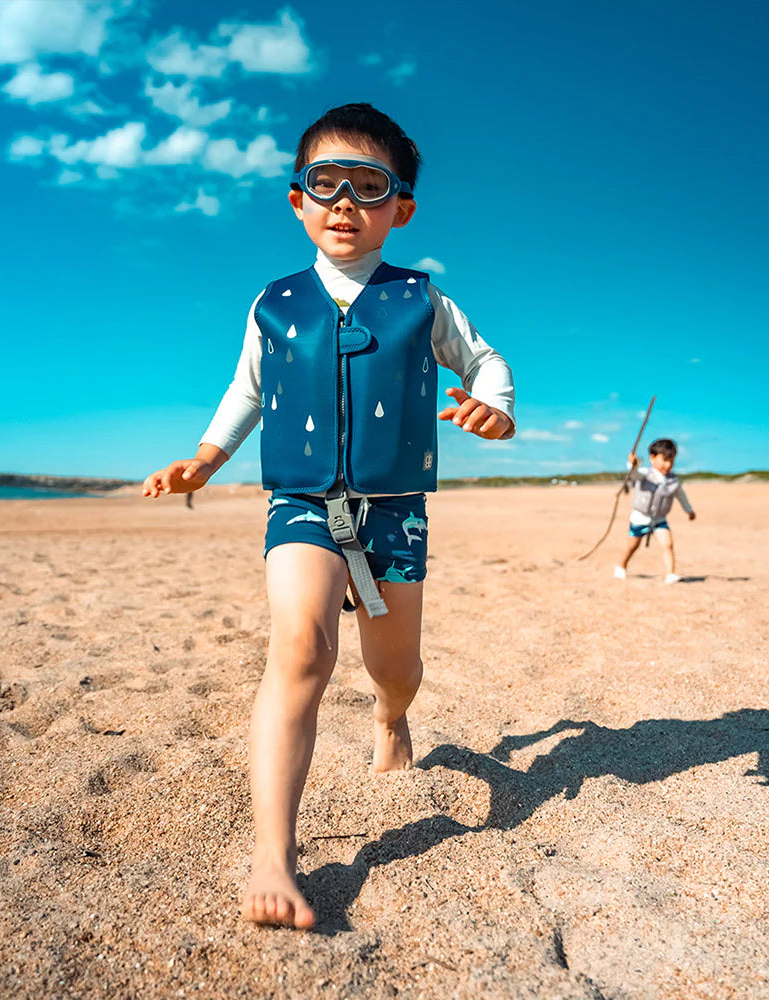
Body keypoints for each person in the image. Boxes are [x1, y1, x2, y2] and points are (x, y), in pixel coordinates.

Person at [142, 103, 515, 928]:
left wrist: (494, 406)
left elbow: (486, 362)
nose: (346, 200)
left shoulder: (424, 300)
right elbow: (246, 390)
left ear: (401, 209)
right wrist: (202, 462)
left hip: (395, 512)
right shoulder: (273, 303)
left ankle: (392, 718)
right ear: (297, 201)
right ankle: (274, 854)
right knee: (302, 650)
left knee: (395, 666)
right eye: (326, 183)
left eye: (369, 185)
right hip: (302, 503)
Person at [613, 438, 696, 583]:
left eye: (671, 461)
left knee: (668, 544)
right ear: (652, 458)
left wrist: (689, 510)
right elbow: (633, 475)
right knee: (632, 546)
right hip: (640, 517)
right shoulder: (645, 473)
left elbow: (681, 496)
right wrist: (632, 464)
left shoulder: (673, 481)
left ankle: (671, 574)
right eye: (664, 460)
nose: (668, 465)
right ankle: (621, 566)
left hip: (659, 519)